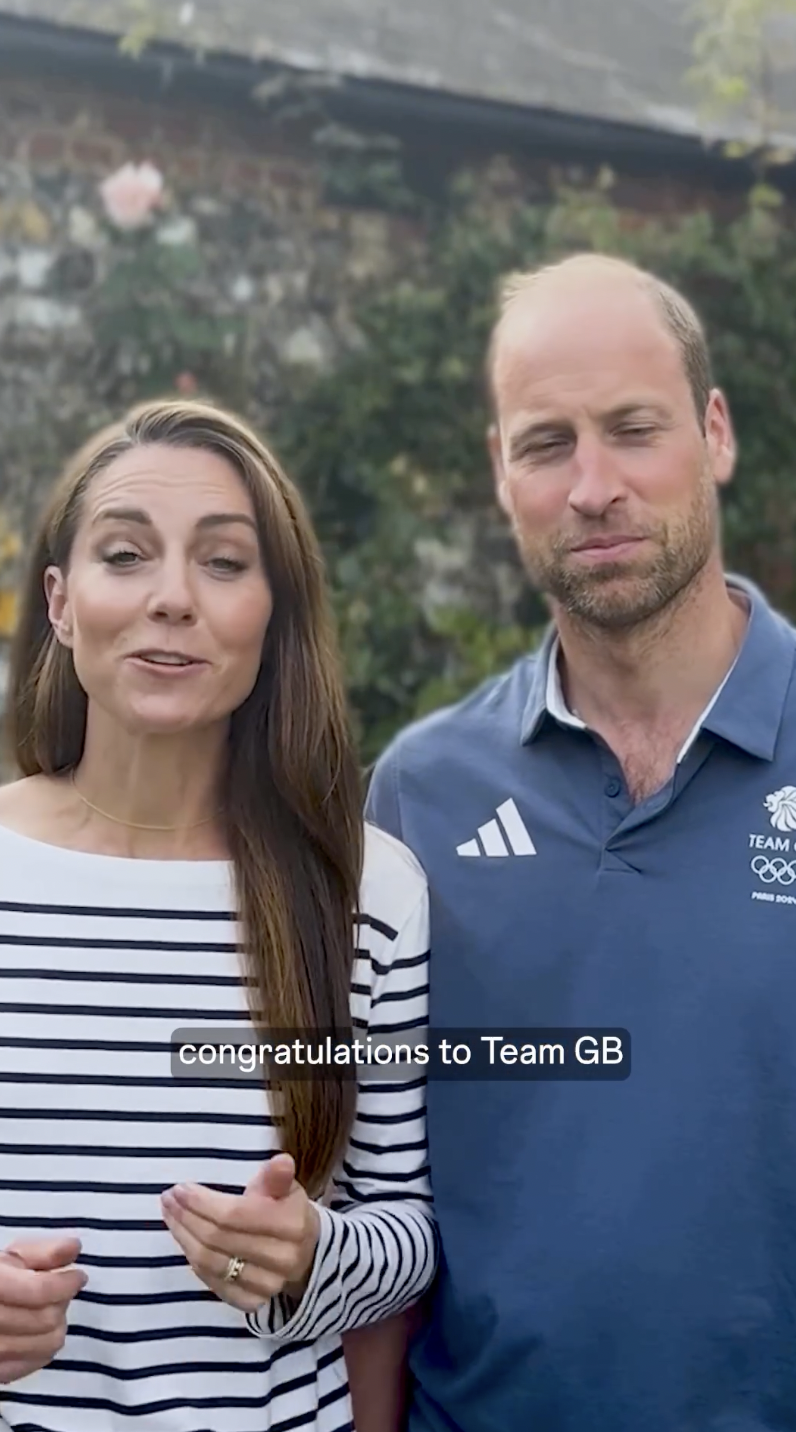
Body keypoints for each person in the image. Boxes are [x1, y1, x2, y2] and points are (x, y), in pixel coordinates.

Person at [366, 252, 796, 1431]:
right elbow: (364, 1190)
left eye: (632, 429)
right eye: (546, 443)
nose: (592, 484)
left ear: (714, 432)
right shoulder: (417, 798)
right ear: (500, 471)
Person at [0, 397, 436, 1432]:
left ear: (272, 618)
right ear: (60, 602)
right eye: (125, 554)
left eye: (225, 563)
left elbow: (408, 1233)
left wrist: (312, 1258)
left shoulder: (368, 892)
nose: (173, 599)